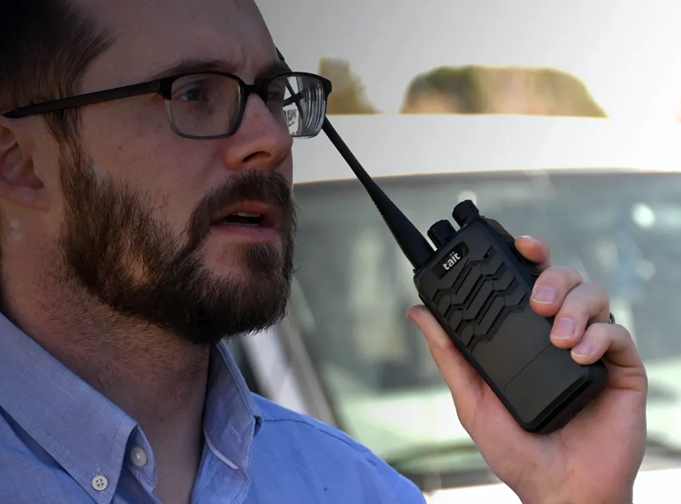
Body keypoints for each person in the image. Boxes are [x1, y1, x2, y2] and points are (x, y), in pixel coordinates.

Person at [0, 0, 647, 503]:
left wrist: (574, 495)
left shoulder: (362, 489)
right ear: (20, 162)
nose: (270, 141)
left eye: (274, 97)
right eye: (193, 92)